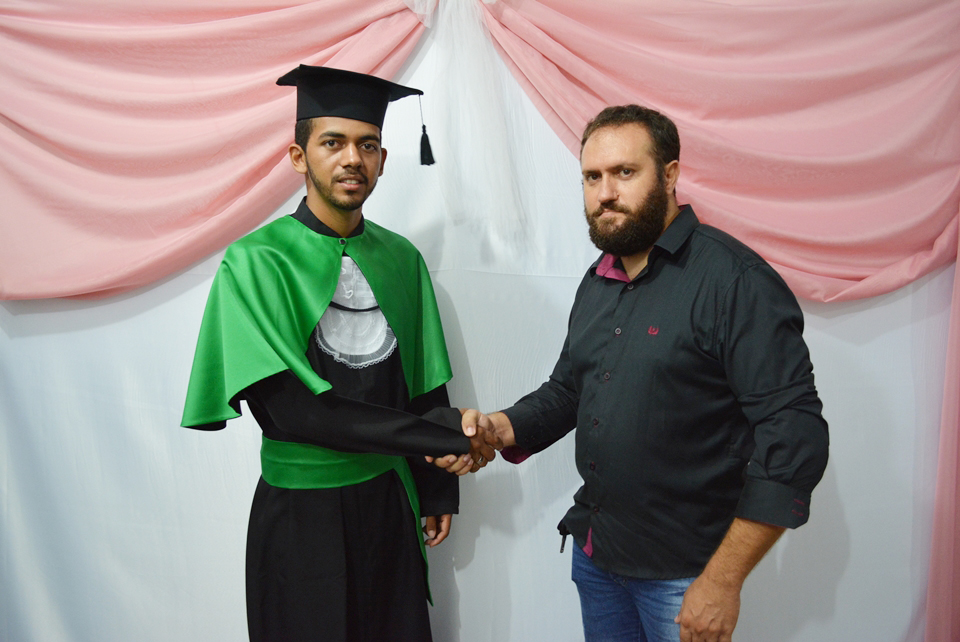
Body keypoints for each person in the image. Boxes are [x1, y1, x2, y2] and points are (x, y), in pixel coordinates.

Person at [438, 105, 829, 642]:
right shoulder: (598, 279)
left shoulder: (735, 281)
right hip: (597, 557)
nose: (605, 193)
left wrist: (723, 581)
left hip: (685, 575)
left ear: (669, 175)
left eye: (624, 172)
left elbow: (794, 435)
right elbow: (569, 390)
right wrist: (496, 428)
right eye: (591, 177)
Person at [181, 65, 495, 642]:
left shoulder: (401, 259)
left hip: (390, 504)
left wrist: (436, 486)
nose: (353, 158)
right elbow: (295, 412)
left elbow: (425, 383)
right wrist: (446, 436)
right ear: (299, 157)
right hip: (302, 518)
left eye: (367, 145)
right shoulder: (256, 262)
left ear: (383, 159)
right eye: (333, 143)